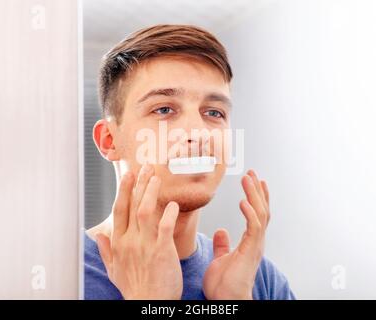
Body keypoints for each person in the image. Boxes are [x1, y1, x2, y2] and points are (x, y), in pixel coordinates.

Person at [84, 24, 295, 300]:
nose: (198, 133)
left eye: (214, 112)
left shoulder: (262, 281)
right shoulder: (58, 275)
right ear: (109, 140)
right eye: (164, 109)